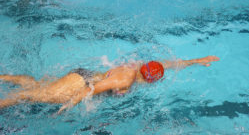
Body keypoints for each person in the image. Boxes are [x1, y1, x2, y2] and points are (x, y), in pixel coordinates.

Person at [0, 55, 219, 114]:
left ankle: (4, 78)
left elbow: (173, 63)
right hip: (81, 84)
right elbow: (90, 90)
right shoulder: (126, 79)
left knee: (38, 86)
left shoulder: (143, 67)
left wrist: (198, 61)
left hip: (83, 75)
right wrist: (68, 105)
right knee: (30, 96)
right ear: (152, 81)